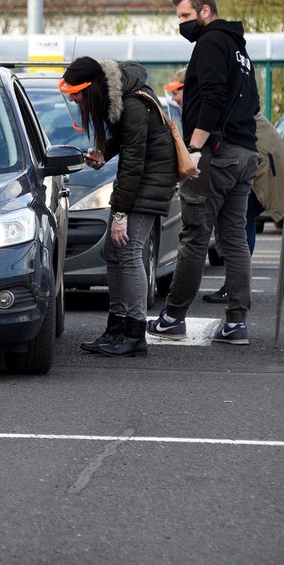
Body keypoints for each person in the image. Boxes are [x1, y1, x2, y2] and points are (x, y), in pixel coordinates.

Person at [147, 0, 260, 345]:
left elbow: (211, 96)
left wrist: (194, 148)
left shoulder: (210, 43)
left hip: (217, 152)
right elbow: (252, 103)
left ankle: (174, 317)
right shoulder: (239, 48)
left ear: (205, 11)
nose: (181, 24)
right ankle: (236, 323)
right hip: (244, 153)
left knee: (195, 236)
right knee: (234, 238)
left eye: (185, 16)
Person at [60, 57, 178, 357]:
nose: (74, 99)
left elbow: (135, 162)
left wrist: (121, 216)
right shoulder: (121, 99)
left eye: (77, 93)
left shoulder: (135, 105)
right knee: (115, 252)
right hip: (141, 178)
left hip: (148, 182)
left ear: (93, 88)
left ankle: (135, 332)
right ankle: (116, 328)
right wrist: (104, 153)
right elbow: (126, 142)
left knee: (128, 252)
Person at [202, 111, 284, 303]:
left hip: (265, 168)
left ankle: (235, 287)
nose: (175, 99)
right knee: (241, 220)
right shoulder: (241, 105)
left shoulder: (222, 105)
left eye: (176, 92)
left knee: (238, 221)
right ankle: (237, 286)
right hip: (265, 163)